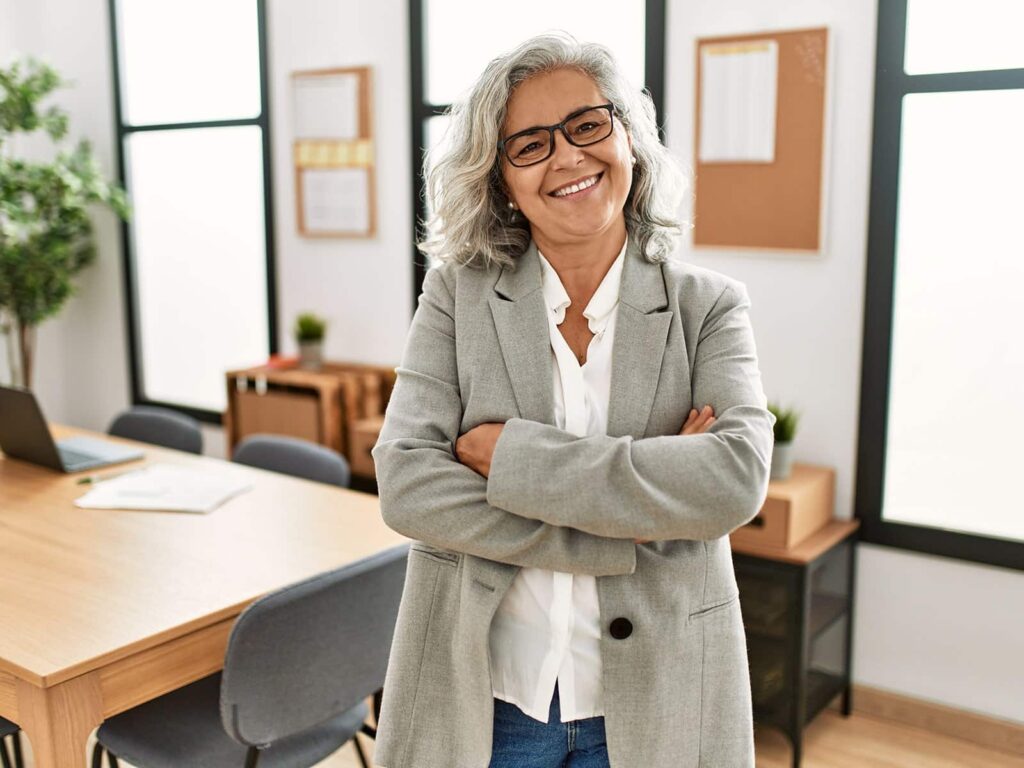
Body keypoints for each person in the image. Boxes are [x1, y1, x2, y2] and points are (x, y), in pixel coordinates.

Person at [372, 32, 774, 768]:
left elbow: (734, 479)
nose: (566, 157)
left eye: (588, 125)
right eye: (529, 144)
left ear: (629, 137)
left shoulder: (709, 307)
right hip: (490, 698)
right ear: (500, 179)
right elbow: (405, 484)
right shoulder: (456, 299)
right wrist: (640, 520)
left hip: (656, 696)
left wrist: (513, 462)